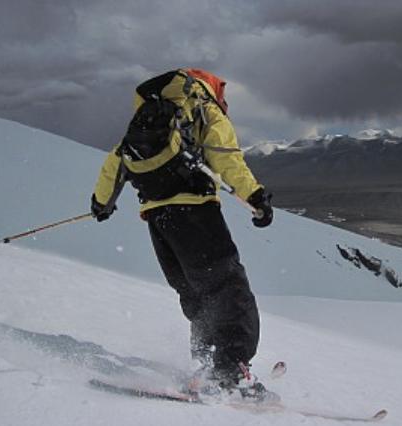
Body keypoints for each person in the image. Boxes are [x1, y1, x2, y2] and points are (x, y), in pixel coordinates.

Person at [90, 68, 273, 398]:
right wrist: (255, 196)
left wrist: (102, 202)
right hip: (196, 212)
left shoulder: (152, 115)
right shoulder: (202, 106)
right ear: (213, 87)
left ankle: (206, 365)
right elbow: (225, 155)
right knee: (227, 287)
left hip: (159, 220)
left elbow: (117, 160)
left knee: (195, 293)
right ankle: (232, 374)